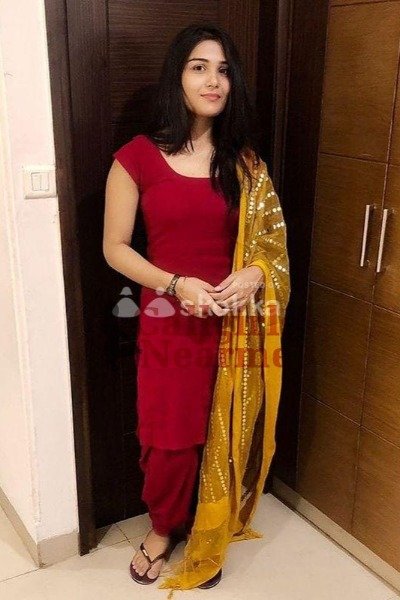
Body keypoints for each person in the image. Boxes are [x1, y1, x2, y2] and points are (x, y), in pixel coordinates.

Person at [103, 23, 290, 598]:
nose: (214, 81)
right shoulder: (137, 157)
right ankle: (162, 529)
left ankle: (208, 528)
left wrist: (255, 274)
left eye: (224, 70)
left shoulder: (246, 166)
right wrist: (176, 283)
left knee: (223, 427)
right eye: (199, 67)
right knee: (169, 436)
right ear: (177, 77)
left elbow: (270, 247)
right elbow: (115, 248)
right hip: (170, 323)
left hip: (235, 326)